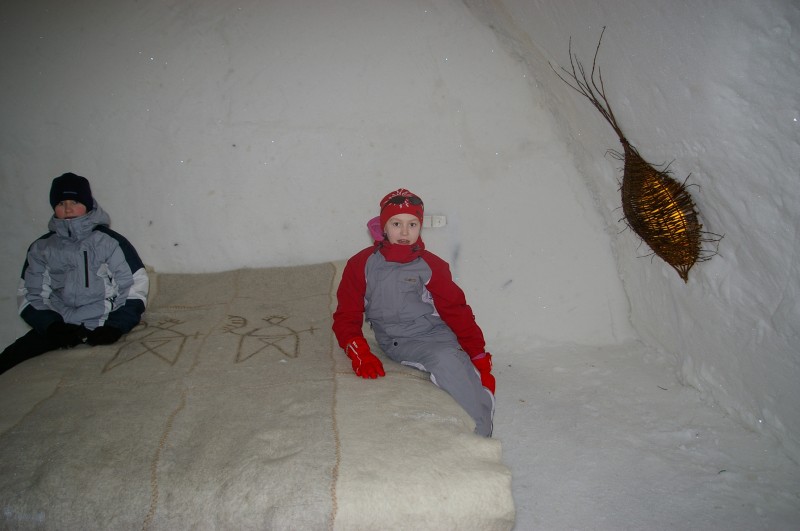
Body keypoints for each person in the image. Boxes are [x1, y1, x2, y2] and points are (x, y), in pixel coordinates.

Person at [332, 188, 496, 436]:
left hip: (439, 334)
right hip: (400, 340)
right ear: (383, 226)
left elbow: (456, 310)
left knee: (456, 364)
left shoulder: (431, 266)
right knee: (445, 360)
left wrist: (478, 353)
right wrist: (360, 352)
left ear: (420, 227)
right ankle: (481, 427)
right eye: (396, 223)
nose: (404, 232)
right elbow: (347, 314)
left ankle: (482, 424)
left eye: (412, 224)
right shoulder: (361, 265)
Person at [0, 173, 149, 374]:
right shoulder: (42, 248)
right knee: (9, 358)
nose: (68, 208)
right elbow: (30, 293)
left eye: (75, 202)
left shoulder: (109, 243)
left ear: (88, 204)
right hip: (61, 325)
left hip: (101, 322)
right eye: (61, 203)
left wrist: (116, 326)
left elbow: (133, 286)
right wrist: (51, 326)